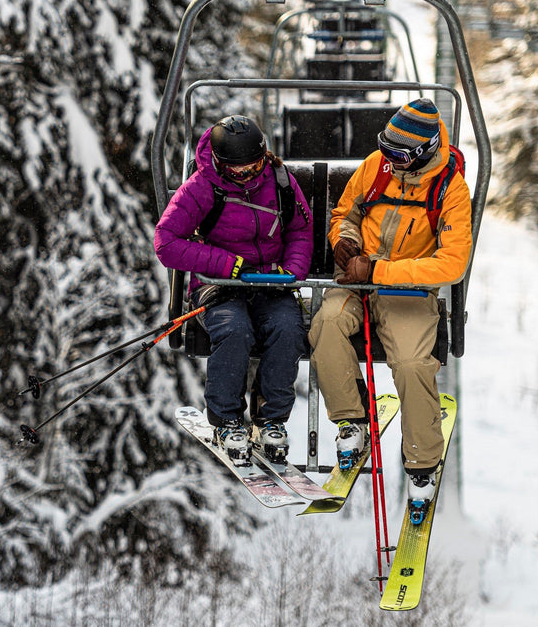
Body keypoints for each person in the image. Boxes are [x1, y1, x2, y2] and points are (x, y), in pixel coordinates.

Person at [308, 98, 472, 508]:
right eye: (386, 150)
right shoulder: (376, 167)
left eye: (398, 155)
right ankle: (353, 420)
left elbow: (451, 263)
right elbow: (345, 212)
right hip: (356, 278)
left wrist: (380, 273)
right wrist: (344, 243)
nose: (390, 161)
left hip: (406, 290)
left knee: (413, 364)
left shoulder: (450, 189)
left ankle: (421, 463)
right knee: (325, 324)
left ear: (423, 152)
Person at [155, 115, 314, 465]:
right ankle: (227, 419)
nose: (246, 175)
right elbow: (166, 243)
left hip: (271, 282)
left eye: (253, 167)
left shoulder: (280, 181)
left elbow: (300, 230)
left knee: (288, 330)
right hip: (221, 285)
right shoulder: (202, 186)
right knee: (235, 330)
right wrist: (226, 265)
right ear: (218, 161)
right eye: (236, 169)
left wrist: (293, 270)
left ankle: (271, 418)